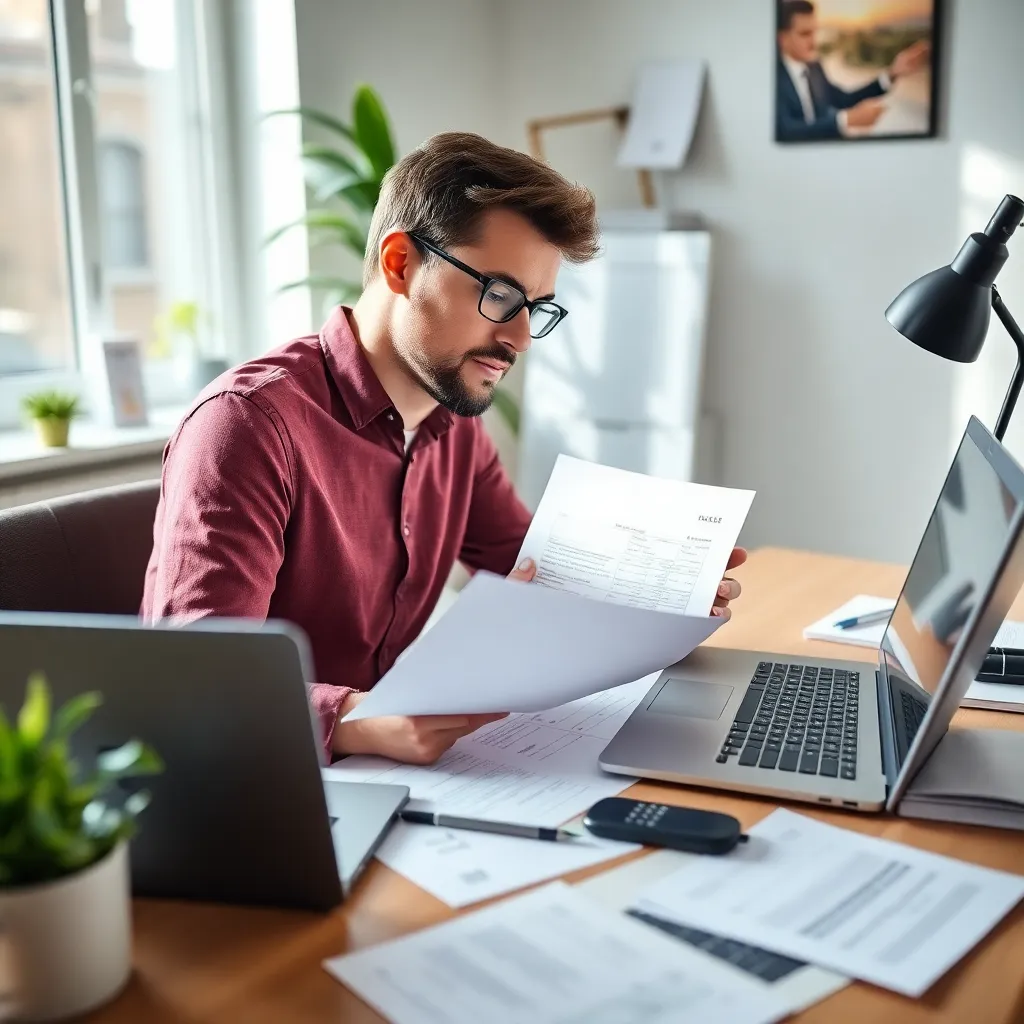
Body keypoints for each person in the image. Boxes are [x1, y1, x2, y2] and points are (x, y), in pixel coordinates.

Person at [141, 131, 746, 765]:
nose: (520, 339)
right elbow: (195, 675)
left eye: (536, 308)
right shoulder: (247, 426)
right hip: (254, 774)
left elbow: (532, 569)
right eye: (500, 296)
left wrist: (664, 589)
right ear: (401, 264)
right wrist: (356, 720)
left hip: (381, 776)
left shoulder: (452, 425)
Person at [776, 0, 931, 142]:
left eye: (815, 32)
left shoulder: (814, 67)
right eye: (805, 34)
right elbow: (786, 130)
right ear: (782, 39)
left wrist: (893, 73)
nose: (813, 41)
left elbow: (844, 99)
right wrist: (846, 120)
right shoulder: (771, 77)